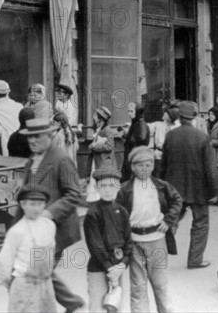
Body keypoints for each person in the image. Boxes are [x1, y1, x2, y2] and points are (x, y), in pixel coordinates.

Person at [18, 118, 84, 312]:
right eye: (29, 137)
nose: (32, 141)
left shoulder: (61, 159)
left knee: (38, 273)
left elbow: (74, 194)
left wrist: (49, 213)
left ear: (49, 135)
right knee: (43, 272)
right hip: (35, 230)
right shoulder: (33, 159)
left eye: (37, 136)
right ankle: (72, 303)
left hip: (56, 230)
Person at [116, 147, 183, 313]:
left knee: (160, 284)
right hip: (134, 242)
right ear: (132, 167)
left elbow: (177, 200)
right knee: (138, 287)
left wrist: (168, 220)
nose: (144, 168)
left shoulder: (161, 186)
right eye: (139, 165)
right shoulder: (125, 189)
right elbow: (116, 215)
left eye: (148, 164)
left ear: (153, 166)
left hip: (157, 241)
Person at [160, 101, 218, 269]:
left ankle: (159, 256)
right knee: (200, 223)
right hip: (198, 189)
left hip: (174, 188)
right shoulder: (201, 136)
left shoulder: (171, 135)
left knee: (171, 220)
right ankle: (195, 260)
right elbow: (210, 167)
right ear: (194, 118)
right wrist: (215, 190)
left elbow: (163, 165)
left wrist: (161, 188)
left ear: (180, 117)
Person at [0, 185, 56, 313]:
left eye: (40, 204)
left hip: (46, 285)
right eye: (32, 204)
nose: (37, 208)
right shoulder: (17, 231)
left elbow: (50, 255)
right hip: (25, 287)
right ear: (23, 204)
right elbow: (4, 263)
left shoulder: (49, 226)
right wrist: (12, 286)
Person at [83, 169, 131, 313]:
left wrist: (123, 264)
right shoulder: (93, 212)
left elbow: (129, 242)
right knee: (98, 306)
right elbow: (95, 244)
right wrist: (110, 268)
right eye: (103, 185)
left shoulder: (122, 211)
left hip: (118, 266)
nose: (107, 190)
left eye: (111, 185)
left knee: (115, 305)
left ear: (118, 187)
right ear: (97, 187)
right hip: (99, 266)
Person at [0, 80, 23, 156]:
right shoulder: (19, 106)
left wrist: (4, 132)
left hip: (7, 142)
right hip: (22, 140)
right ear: (7, 93)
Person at [120, 102, 150, 183]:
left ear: (137, 111)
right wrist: (126, 136)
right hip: (131, 156)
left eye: (131, 111)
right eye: (128, 111)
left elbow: (141, 138)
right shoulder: (135, 123)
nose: (129, 113)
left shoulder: (141, 123)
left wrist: (128, 138)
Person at [148, 107, 180, 177]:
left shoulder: (177, 127)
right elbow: (147, 127)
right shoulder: (159, 124)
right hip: (159, 154)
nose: (164, 113)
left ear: (170, 116)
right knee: (158, 174)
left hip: (171, 155)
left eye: (166, 113)